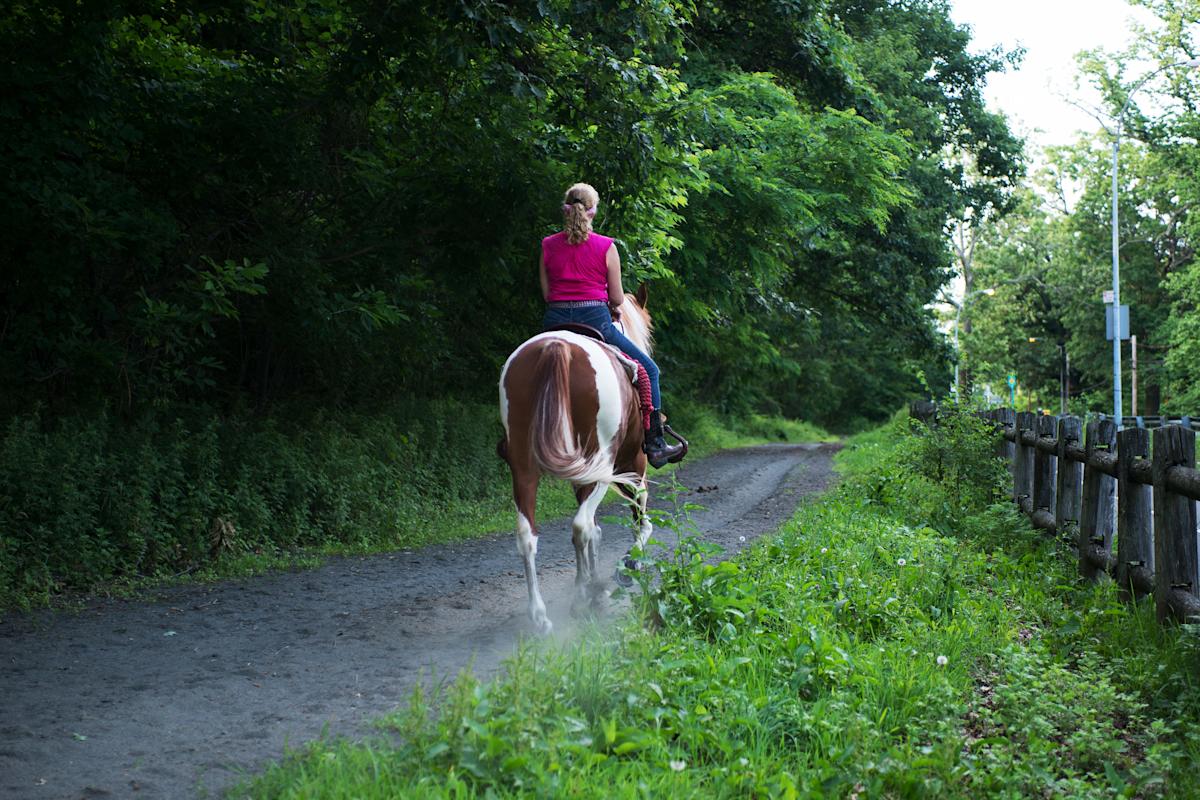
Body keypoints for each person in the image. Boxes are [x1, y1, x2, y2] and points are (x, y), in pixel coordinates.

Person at [539, 182, 685, 468]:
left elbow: (547, 294)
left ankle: (513, 436)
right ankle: (655, 443)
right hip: (595, 322)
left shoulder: (547, 245)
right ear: (592, 212)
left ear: (565, 209)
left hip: (555, 322)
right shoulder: (606, 246)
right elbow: (618, 298)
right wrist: (611, 306)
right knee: (649, 371)